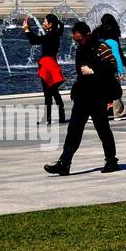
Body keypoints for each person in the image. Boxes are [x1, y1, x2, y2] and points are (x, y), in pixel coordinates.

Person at [44, 22, 120, 175]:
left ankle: (111, 160)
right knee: (73, 130)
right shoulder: (80, 49)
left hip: (98, 95)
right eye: (76, 40)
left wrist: (93, 70)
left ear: (87, 34)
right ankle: (64, 162)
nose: (78, 42)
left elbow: (112, 66)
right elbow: (80, 73)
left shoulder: (101, 47)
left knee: (103, 129)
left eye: (80, 39)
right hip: (83, 95)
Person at [23, 14, 66, 125]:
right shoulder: (56, 34)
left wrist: (27, 30)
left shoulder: (51, 35)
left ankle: (47, 118)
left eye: (45, 21)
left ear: (50, 24)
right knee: (54, 92)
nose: (43, 23)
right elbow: (61, 27)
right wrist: (59, 22)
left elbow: (35, 40)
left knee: (48, 94)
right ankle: (61, 116)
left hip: (47, 67)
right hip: (53, 65)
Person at [95, 13, 126, 119]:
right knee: (115, 89)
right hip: (111, 68)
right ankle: (119, 113)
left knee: (102, 89)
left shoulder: (98, 39)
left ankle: (98, 111)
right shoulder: (113, 40)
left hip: (99, 67)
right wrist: (121, 71)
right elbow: (117, 56)